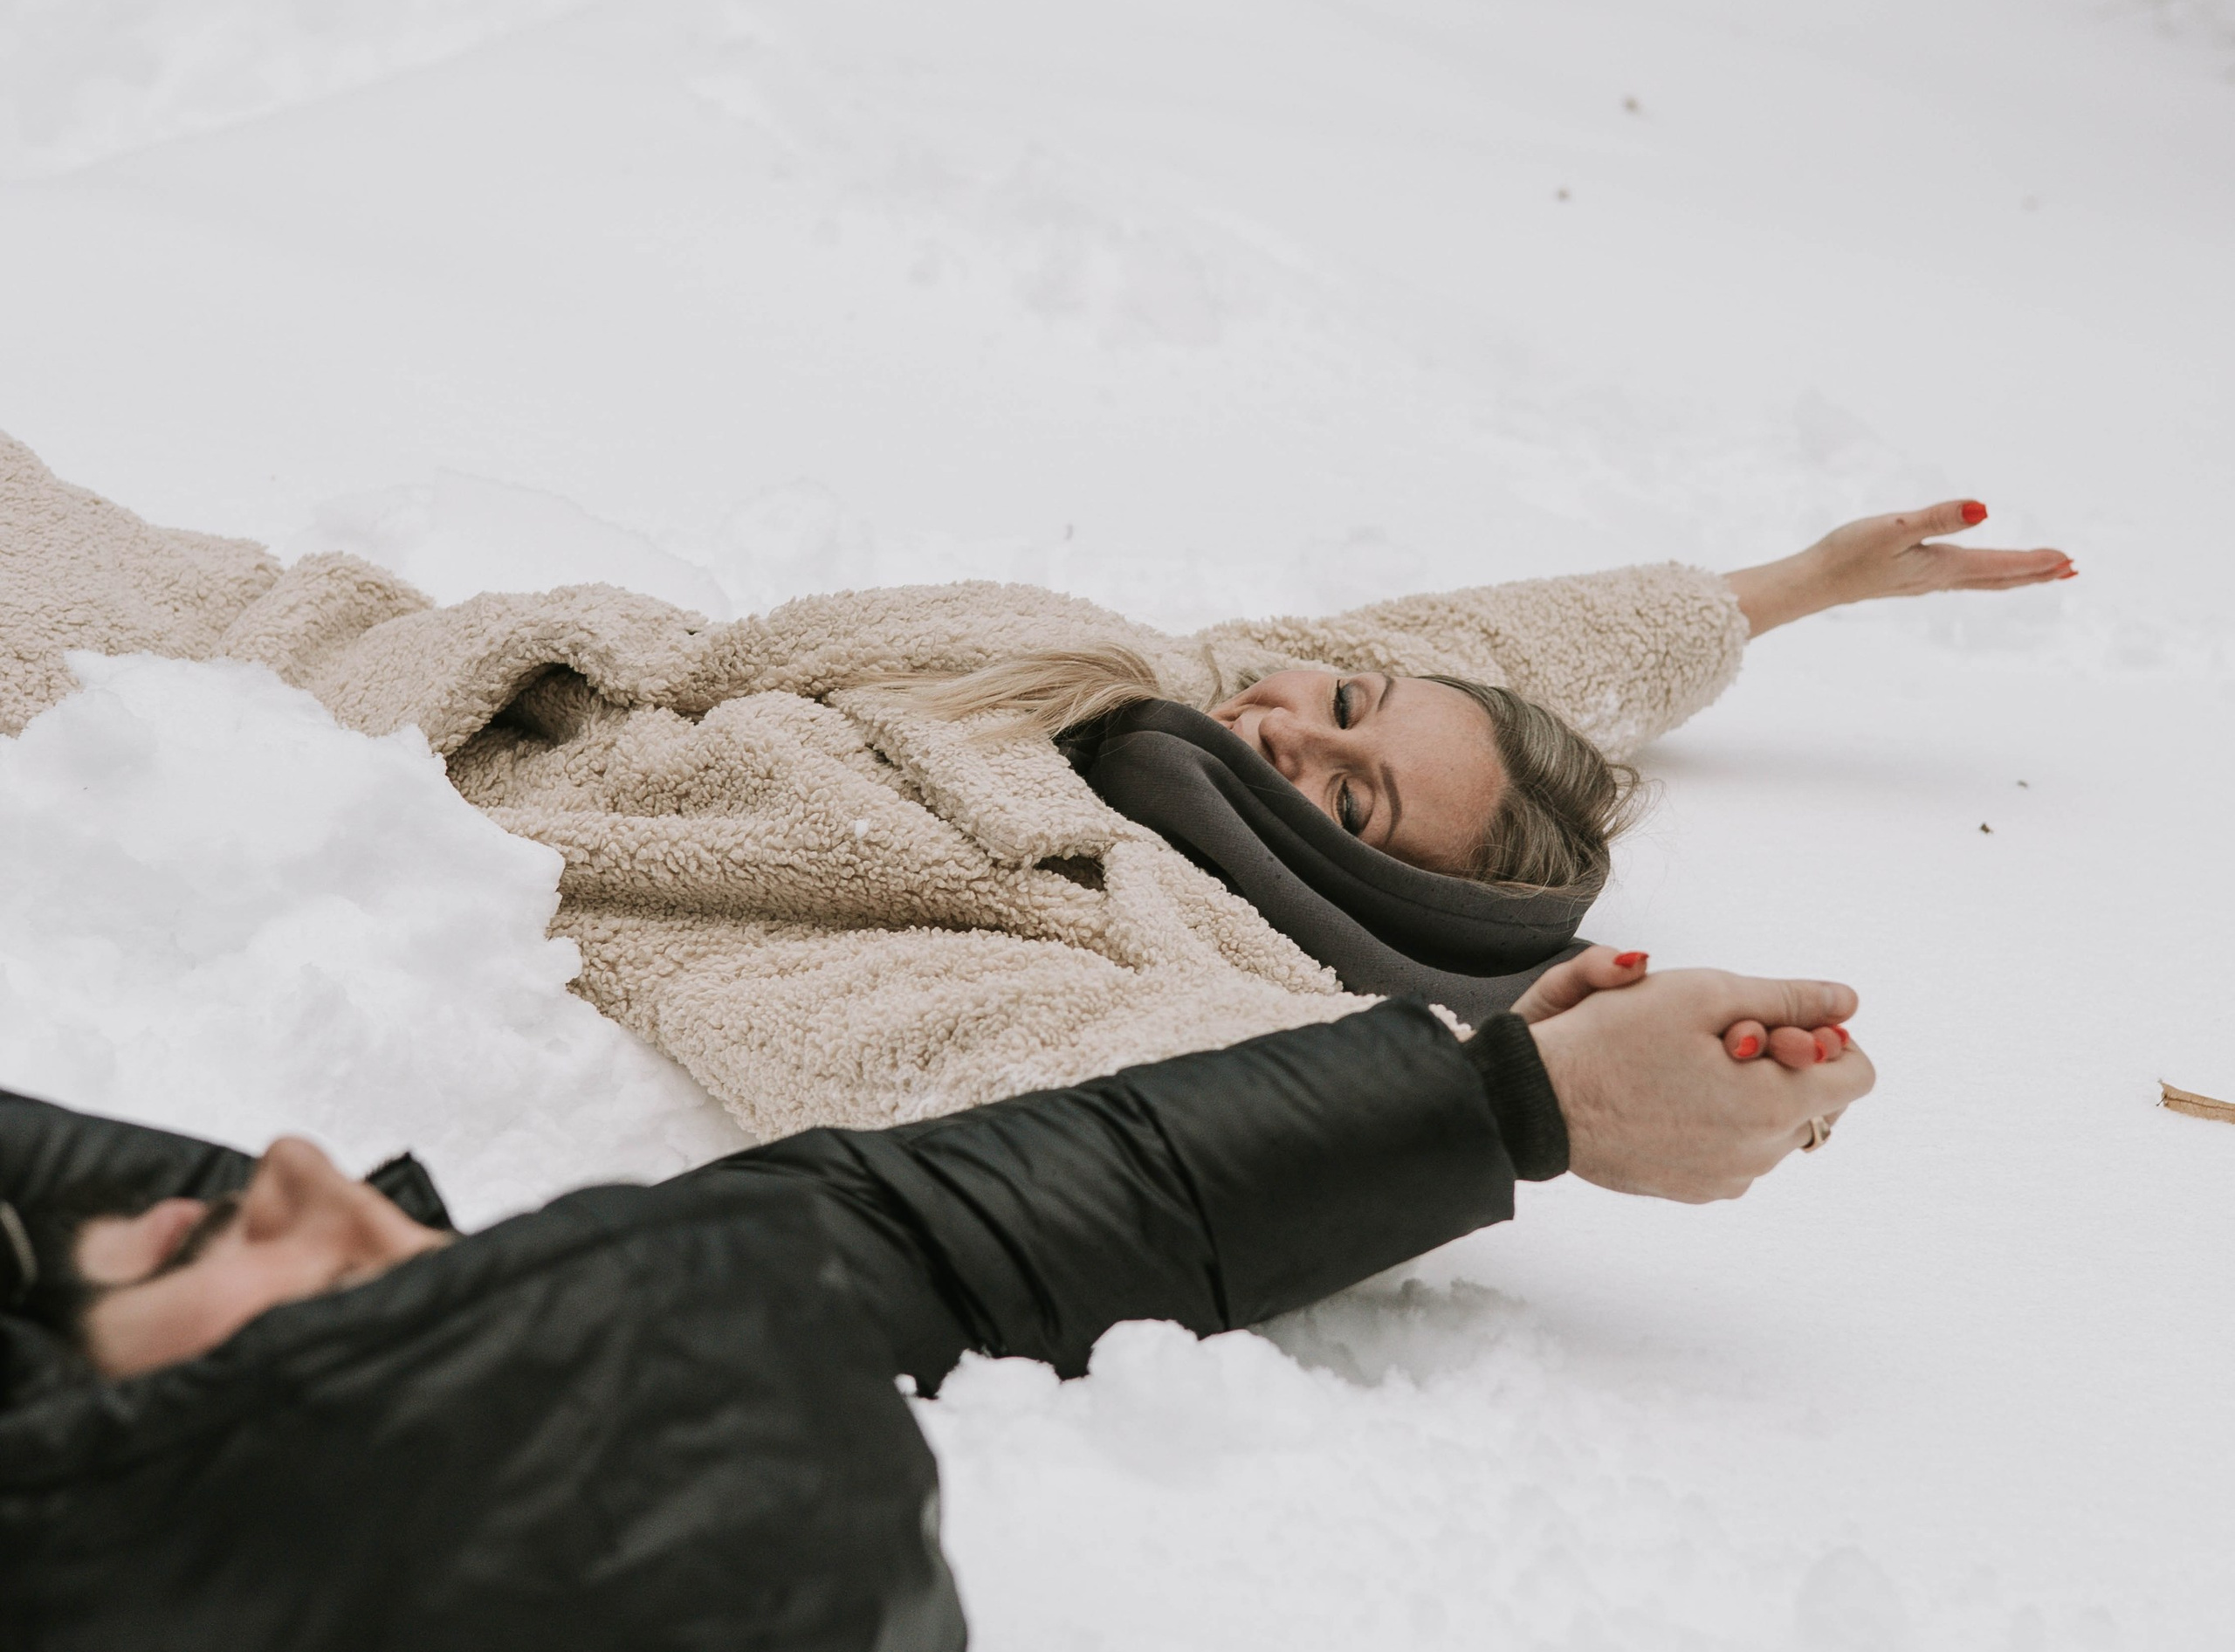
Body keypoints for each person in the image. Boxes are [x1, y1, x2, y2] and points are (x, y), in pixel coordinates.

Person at [0, 953, 1871, 1652]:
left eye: (362, 1290)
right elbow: (892, 1246)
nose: (302, 1170)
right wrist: (1501, 1102)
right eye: (401, 1265)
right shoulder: (173, 1439)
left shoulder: (125, 1461)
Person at [1, 428, 2061, 1143]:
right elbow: (1485, 647)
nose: (1294, 730)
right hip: (314, 631)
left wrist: (1521, 1094)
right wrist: (1789, 587)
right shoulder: (1158, 694)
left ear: (1368, 905)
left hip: (231, 771)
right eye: (1341, 694)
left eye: (1348, 804)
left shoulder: (1100, 911)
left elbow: (1033, 1069)